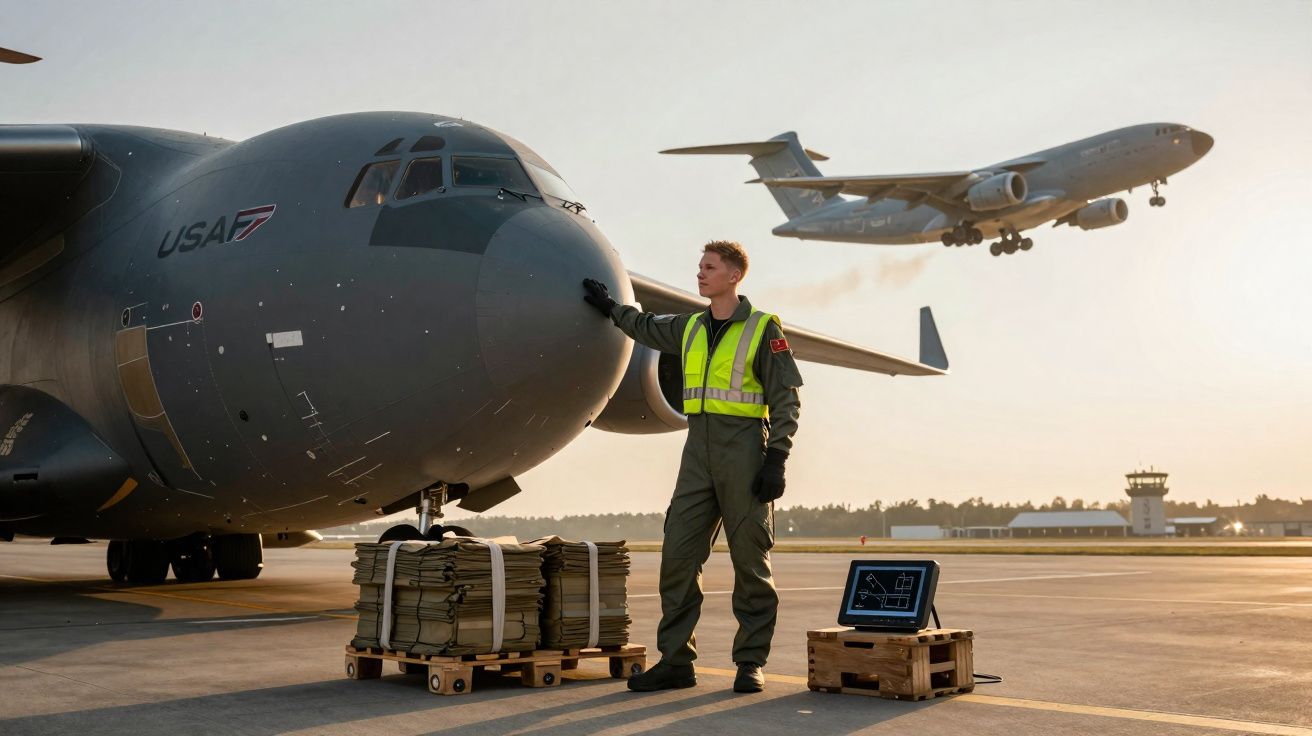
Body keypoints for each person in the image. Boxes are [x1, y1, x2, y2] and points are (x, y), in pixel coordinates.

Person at [582, 240, 802, 694]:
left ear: (734, 275)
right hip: (696, 450)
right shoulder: (690, 327)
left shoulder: (764, 329)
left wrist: (776, 459)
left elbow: (786, 398)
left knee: (751, 563)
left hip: (744, 450)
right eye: (700, 267)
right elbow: (645, 327)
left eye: (709, 267)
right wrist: (611, 308)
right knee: (678, 558)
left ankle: (750, 663)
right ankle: (677, 661)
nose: (699, 274)